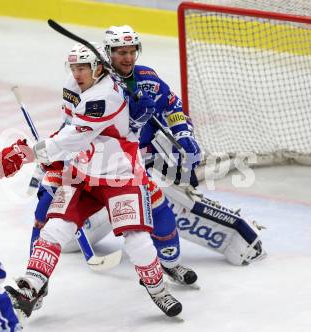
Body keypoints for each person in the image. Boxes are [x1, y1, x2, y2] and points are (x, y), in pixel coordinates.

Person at [0, 42, 183, 319]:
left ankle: (157, 288)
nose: (77, 74)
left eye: (84, 68)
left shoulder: (106, 96)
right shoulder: (76, 84)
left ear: (99, 68)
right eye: (75, 67)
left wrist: (28, 153)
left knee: (136, 237)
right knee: (54, 228)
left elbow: (75, 136)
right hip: (81, 174)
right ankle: (31, 286)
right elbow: (68, 127)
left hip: (119, 176)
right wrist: (50, 154)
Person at [103, 25, 265, 266]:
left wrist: (183, 134)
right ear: (108, 53)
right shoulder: (100, 88)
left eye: (132, 51)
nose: (128, 58)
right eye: (121, 52)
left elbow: (172, 106)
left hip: (147, 159)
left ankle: (238, 239)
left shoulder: (147, 78)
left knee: (180, 189)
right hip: (111, 164)